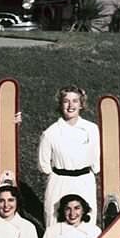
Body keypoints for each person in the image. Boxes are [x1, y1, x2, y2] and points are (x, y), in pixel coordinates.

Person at [37, 86, 100, 227]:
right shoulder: (50, 133)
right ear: (60, 104)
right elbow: (44, 165)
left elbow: (96, 161)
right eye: (66, 101)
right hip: (59, 182)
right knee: (55, 223)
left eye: (75, 101)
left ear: (81, 104)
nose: (71, 105)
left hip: (84, 182)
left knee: (86, 223)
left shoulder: (91, 129)